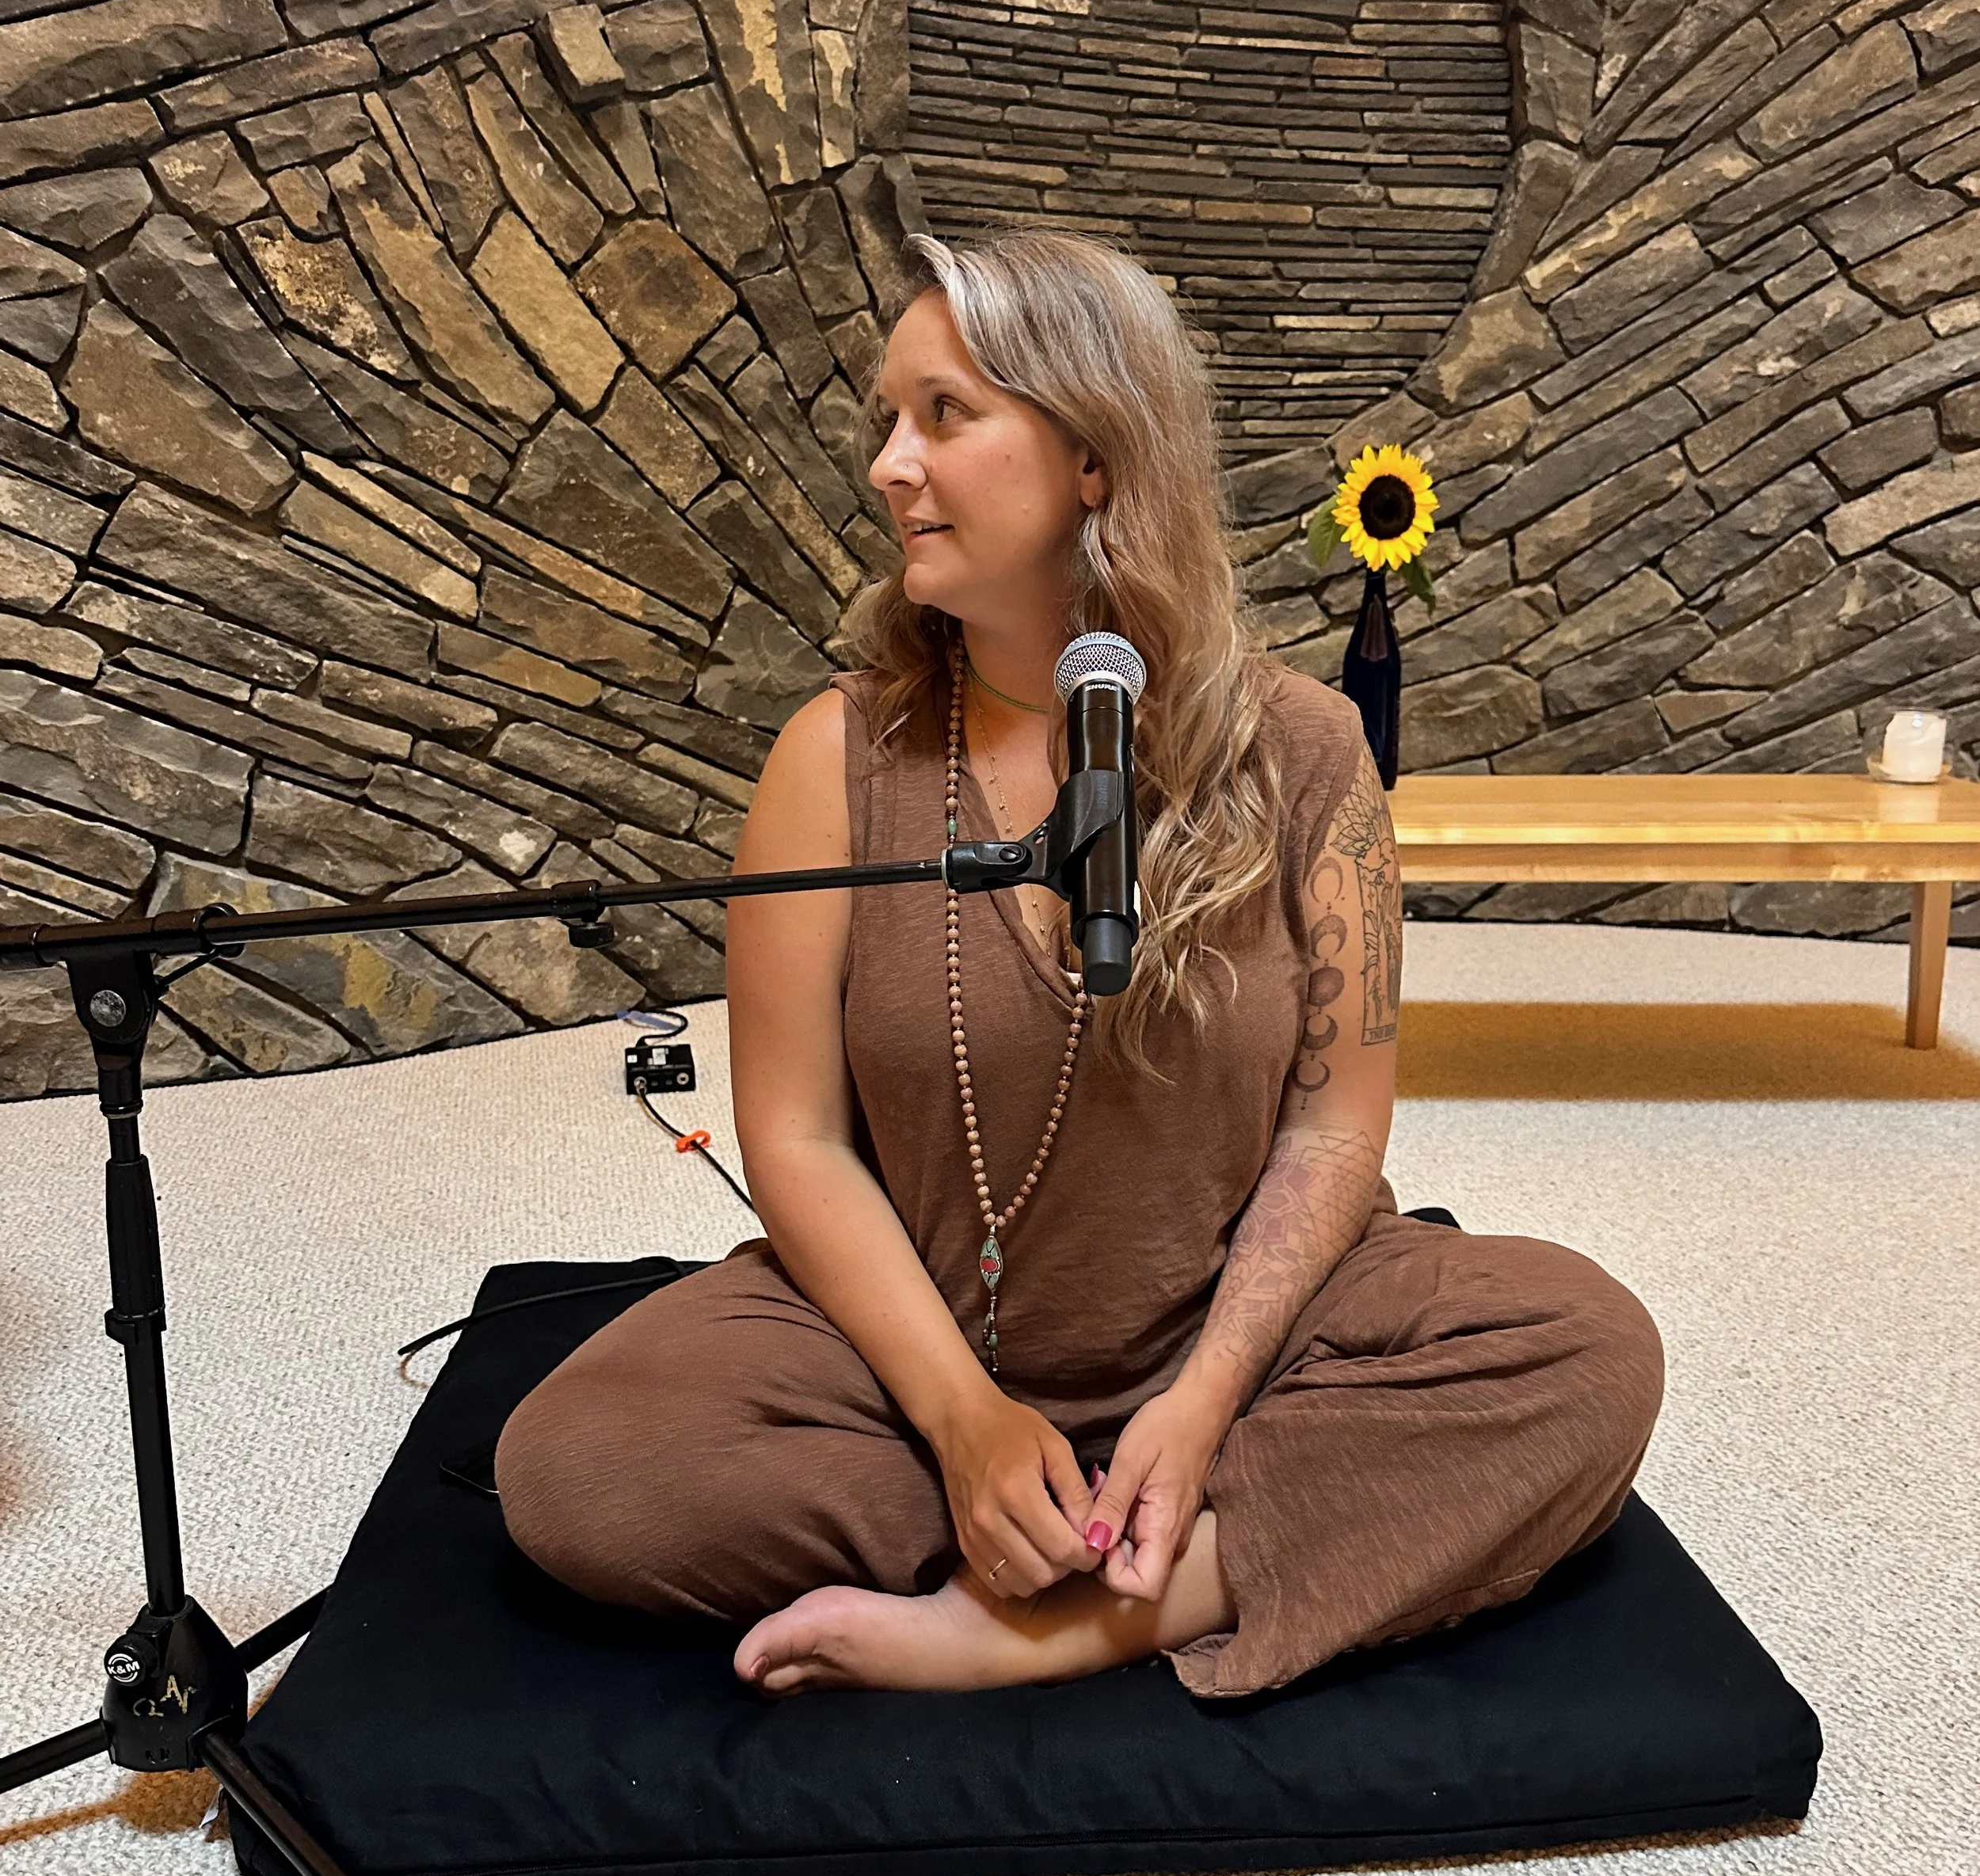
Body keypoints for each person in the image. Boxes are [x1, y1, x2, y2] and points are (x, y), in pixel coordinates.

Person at [495, 231, 1664, 1700]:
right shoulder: (833, 755)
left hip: (1253, 1337)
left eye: (943, 414)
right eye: (884, 425)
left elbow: (1335, 1125)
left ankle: (1054, 1615)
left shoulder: (1308, 753)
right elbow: (791, 1137)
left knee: (1585, 1350)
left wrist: (1203, 1401)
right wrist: (967, 1422)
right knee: (576, 1467)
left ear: (1096, 455)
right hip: (916, 1344)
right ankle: (1156, 1539)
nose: (887, 468)